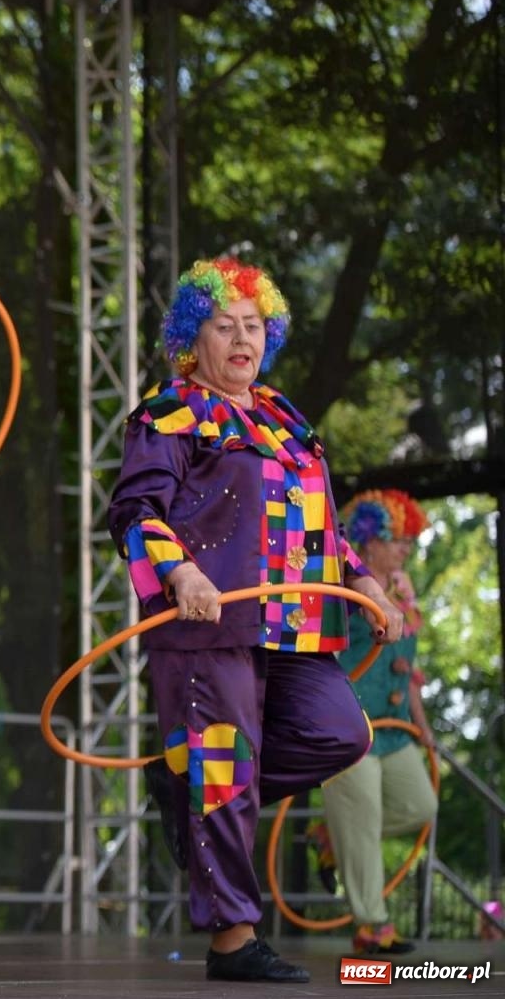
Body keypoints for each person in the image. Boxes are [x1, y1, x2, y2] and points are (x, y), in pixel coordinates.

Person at [107, 258, 404, 984]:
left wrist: (363, 580)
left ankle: (190, 790)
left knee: (341, 732)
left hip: (296, 621)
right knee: (225, 768)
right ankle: (233, 940)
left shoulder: (283, 417)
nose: (243, 338)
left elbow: (322, 529)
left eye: (254, 326)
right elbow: (134, 510)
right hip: (210, 623)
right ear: (193, 338)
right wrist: (180, 572)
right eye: (223, 326)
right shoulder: (168, 413)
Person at [315, 489, 436, 956]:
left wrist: (422, 727)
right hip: (349, 723)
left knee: (420, 804)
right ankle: (372, 924)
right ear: (368, 541)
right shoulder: (345, 584)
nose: (405, 548)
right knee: (361, 819)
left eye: (408, 540)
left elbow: (407, 668)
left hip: (394, 725)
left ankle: (329, 836)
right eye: (397, 539)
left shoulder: (404, 587)